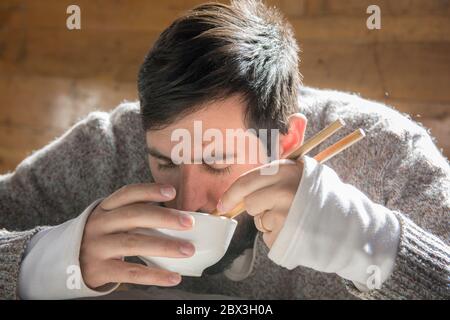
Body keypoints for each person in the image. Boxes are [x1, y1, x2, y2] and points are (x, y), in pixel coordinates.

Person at [0, 0, 448, 300]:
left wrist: (373, 246)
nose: (188, 202)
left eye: (216, 160)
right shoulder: (110, 145)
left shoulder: (389, 158)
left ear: (286, 142)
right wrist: (41, 261)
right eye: (165, 161)